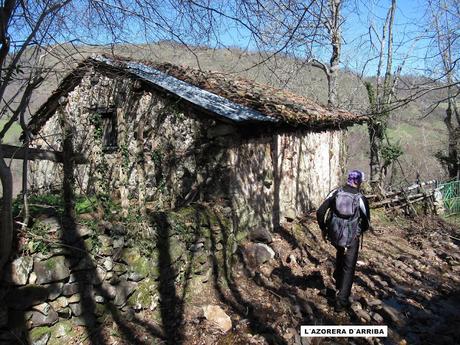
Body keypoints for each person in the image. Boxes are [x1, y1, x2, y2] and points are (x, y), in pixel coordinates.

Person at [316, 170, 370, 312]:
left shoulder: (335, 192)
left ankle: (339, 283)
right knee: (349, 267)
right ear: (358, 182)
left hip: (335, 235)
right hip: (351, 237)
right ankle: (341, 301)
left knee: (340, 253)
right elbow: (366, 222)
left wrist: (323, 228)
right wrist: (358, 232)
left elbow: (320, 212)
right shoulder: (360, 198)